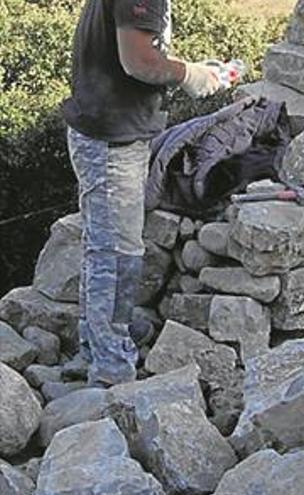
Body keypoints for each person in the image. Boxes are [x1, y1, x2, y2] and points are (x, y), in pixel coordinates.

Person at [62, 0, 222, 387]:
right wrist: (190, 74)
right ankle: (111, 370)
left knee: (105, 247)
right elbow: (139, 62)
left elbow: (136, 50)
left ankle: (95, 344)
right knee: (118, 254)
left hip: (104, 129)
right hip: (111, 138)